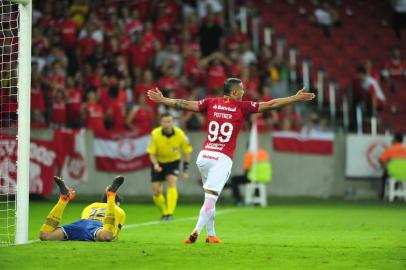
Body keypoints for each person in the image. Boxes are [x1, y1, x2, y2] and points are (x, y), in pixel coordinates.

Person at [147, 77, 315, 244]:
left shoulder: (211, 102)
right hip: (221, 159)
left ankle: (211, 234)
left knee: (210, 197)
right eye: (242, 89)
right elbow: (271, 104)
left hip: (204, 157)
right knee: (210, 200)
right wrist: (294, 98)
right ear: (234, 92)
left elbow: (183, 103)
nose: (244, 92)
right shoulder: (243, 106)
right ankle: (195, 232)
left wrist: (162, 100)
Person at [39, 176, 125, 242]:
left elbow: (84, 219)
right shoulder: (118, 210)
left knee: (45, 235)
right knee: (107, 236)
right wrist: (111, 202)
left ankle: (63, 199)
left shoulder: (91, 206)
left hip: (80, 224)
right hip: (97, 227)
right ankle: (111, 195)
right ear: (117, 203)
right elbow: (113, 233)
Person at [146, 113, 193, 221]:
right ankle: (164, 212)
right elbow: (151, 153)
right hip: (158, 161)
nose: (167, 124)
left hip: (173, 161)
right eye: (165, 122)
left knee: (171, 181)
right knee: (156, 190)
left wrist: (185, 170)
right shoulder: (155, 134)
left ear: (173, 122)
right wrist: (156, 164)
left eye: (169, 121)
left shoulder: (180, 134)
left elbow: (186, 152)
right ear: (160, 123)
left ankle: (170, 213)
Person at [379, 133, 406, 199]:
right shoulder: (405, 150)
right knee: (398, 177)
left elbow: (381, 159)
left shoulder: (390, 149)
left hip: (393, 173)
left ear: (395, 140)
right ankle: (396, 195)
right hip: (405, 174)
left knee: (385, 176)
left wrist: (384, 166)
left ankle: (383, 194)